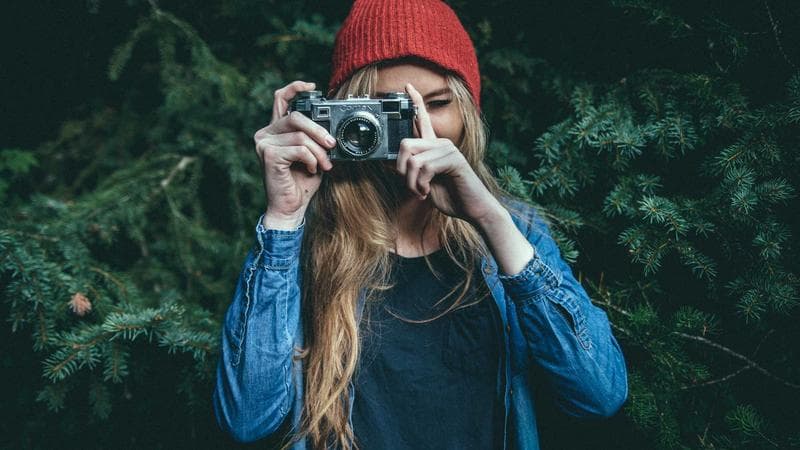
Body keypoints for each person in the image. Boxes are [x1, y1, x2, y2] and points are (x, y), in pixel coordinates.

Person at [213, 0, 629, 448]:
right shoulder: (304, 241)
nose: (417, 128)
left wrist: (489, 217)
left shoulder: (514, 234)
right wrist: (283, 220)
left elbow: (599, 394)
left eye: (437, 103)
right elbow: (245, 418)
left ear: (468, 111)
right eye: (388, 109)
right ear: (344, 120)